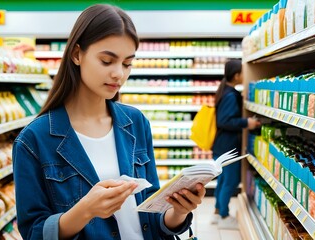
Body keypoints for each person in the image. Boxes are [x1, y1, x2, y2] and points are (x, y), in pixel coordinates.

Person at [12, 4, 206, 240]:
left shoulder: (136, 123)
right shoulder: (34, 140)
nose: (119, 74)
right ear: (76, 54)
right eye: (107, 61)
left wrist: (178, 211)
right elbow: (34, 233)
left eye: (127, 64)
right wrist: (85, 211)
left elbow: (152, 215)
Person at [210, 59, 260, 229]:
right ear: (237, 75)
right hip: (227, 147)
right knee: (230, 181)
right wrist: (247, 123)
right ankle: (224, 216)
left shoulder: (226, 91)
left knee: (223, 180)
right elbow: (224, 121)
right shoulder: (230, 95)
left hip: (221, 145)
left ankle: (217, 212)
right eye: (243, 72)